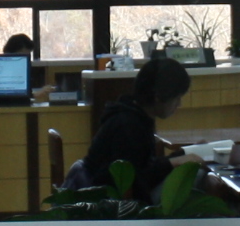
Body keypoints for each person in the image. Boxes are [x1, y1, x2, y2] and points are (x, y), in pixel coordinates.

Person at [77, 52, 190, 203]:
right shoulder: (129, 126)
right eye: (177, 98)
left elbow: (143, 165)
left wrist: (182, 155)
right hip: (113, 205)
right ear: (159, 96)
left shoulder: (130, 114)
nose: (179, 104)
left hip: (104, 196)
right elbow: (136, 181)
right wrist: (174, 162)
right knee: (194, 177)